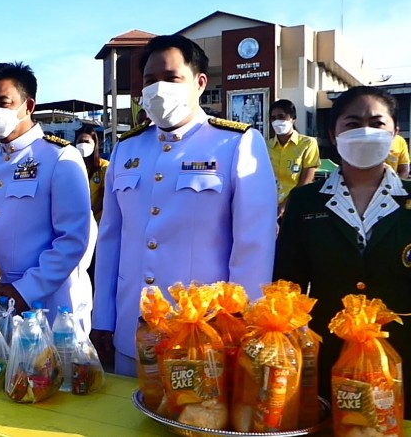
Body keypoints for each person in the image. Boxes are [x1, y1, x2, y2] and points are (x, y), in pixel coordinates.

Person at [91, 34, 277, 377]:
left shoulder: (235, 143)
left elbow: (254, 246)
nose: (158, 88)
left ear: (199, 83)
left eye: (171, 78)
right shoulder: (126, 149)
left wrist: (238, 327)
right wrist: (103, 319)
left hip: (203, 337)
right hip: (132, 333)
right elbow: (110, 240)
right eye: (149, 80)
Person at [274, 85, 411, 415]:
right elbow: (287, 284)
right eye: (352, 123)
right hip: (329, 360)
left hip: (403, 360)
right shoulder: (306, 202)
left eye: (377, 123)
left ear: (394, 133)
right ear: (333, 136)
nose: (365, 130)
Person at [0, 61, 93, 329]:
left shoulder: (59, 157)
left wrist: (26, 289)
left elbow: (72, 240)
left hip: (45, 305)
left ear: (29, 106)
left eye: (3, 102)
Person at [267, 99, 320, 216]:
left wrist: (284, 206)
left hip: (296, 208)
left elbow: (306, 182)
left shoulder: (308, 143)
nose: (277, 121)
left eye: (281, 116)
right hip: (268, 209)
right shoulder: (265, 146)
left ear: (293, 118)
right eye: (273, 118)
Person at [75, 125, 109, 222]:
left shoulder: (104, 167)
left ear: (95, 144)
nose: (83, 145)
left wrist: (88, 216)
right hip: (75, 220)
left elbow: (104, 198)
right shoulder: (71, 166)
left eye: (87, 142)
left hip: (96, 222)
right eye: (80, 142)